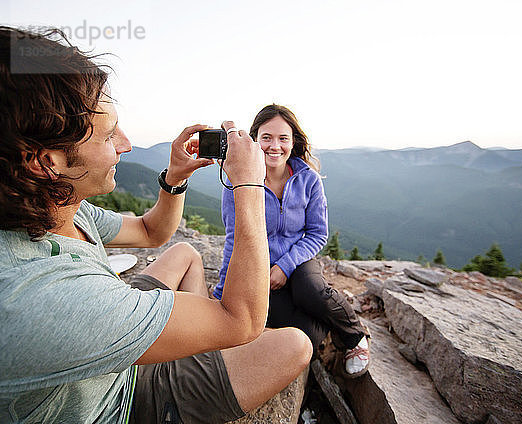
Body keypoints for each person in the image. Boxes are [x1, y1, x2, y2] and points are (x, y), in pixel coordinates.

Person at [0, 26, 312, 424]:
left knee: (183, 252)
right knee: (295, 346)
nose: (126, 144)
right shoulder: (33, 299)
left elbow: (152, 232)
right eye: (109, 134)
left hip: (109, 337)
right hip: (121, 399)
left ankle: (196, 339)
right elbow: (244, 321)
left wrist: (175, 177)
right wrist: (248, 184)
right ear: (45, 162)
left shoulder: (59, 208)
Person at [213, 104, 370, 378]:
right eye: (266, 138)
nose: (275, 146)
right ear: (254, 140)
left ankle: (355, 336)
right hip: (259, 270)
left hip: (298, 260)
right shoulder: (237, 182)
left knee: (309, 290)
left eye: (283, 138)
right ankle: (326, 324)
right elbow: (233, 238)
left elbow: (318, 233)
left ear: (293, 141)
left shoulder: (308, 180)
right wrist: (221, 294)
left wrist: (285, 266)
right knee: (302, 333)